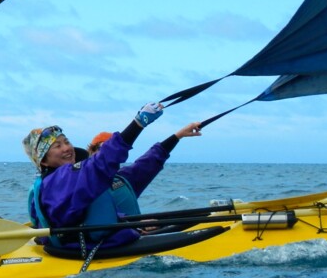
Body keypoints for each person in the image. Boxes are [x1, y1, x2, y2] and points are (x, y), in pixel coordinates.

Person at [23, 102, 201, 251]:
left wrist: (176, 137)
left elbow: (142, 169)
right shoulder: (58, 182)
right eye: (57, 146)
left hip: (111, 241)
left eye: (67, 142)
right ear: (44, 161)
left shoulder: (91, 178)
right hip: (92, 250)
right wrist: (138, 123)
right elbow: (100, 163)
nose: (66, 148)